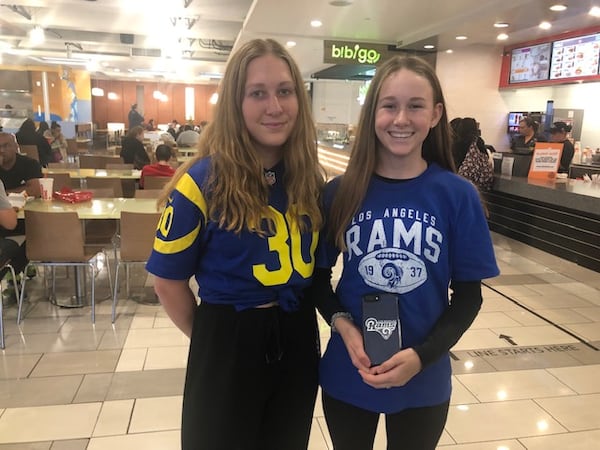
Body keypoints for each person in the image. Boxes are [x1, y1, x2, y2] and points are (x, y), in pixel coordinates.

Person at [311, 55, 499, 449]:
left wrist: (421, 356)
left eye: (415, 106)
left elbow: (468, 297)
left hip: (424, 378)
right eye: (389, 105)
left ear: (435, 114)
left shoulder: (457, 195)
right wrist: (343, 326)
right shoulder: (339, 193)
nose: (401, 119)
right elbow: (317, 281)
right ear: (372, 113)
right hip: (349, 371)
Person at [146, 38, 325, 450]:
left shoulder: (309, 179)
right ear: (235, 103)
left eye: (284, 91)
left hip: (297, 334)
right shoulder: (202, 182)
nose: (275, 106)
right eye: (257, 93)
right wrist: (216, 339)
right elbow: (167, 282)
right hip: (228, 336)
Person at [0, 132, 42, 197]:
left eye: (6, 146)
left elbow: (35, 190)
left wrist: (3, 194)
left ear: (16, 147)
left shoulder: (29, 164)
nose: (1, 150)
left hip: (27, 205)